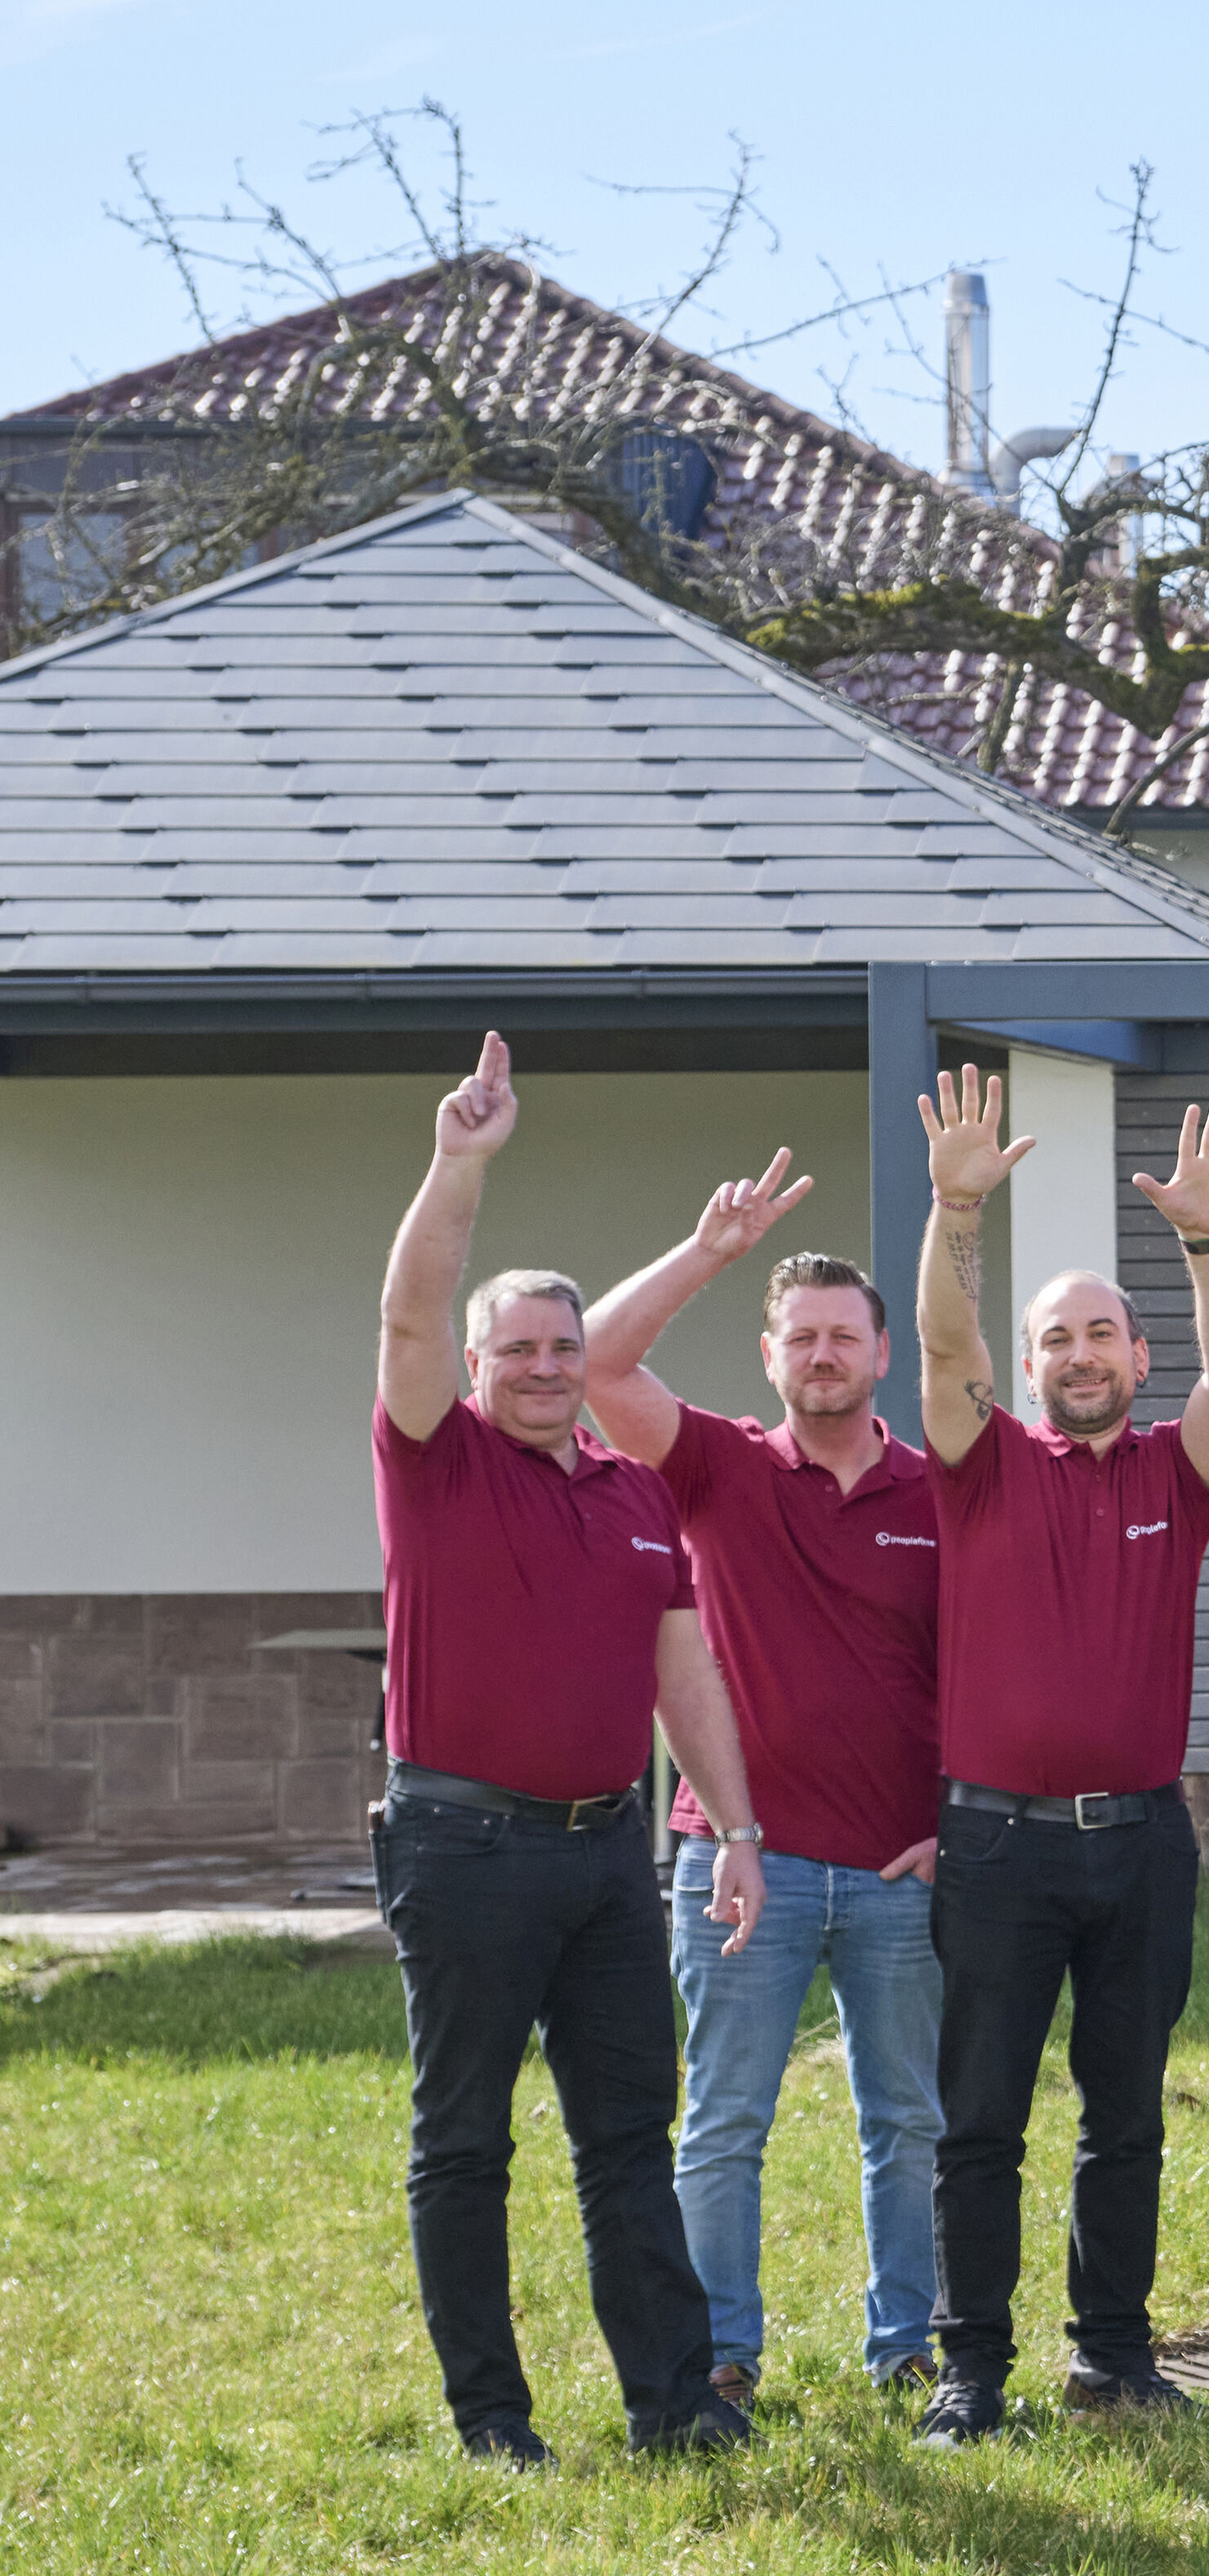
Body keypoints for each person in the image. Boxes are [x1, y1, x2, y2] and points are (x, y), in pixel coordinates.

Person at [368, 1036, 768, 2467]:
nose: (545, 1369)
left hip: (608, 1851)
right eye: (518, 1350)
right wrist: (459, 1163)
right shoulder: (436, 1455)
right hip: (463, 1844)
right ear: (476, 1368)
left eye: (563, 1347)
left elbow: (683, 1663)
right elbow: (410, 1309)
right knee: (467, 2139)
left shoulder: (636, 1494)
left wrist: (732, 1823)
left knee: (625, 2137)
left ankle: (674, 2399)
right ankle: (492, 2417)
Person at [904, 1061, 1209, 2443]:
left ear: (1137, 1356)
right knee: (981, 2117)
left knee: (1127, 2112)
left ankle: (1114, 2351)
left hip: (1140, 1842)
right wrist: (957, 1215)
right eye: (1058, 1339)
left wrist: (1203, 1236)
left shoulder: (1178, 1473)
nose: (1081, 1356)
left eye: (1102, 1336)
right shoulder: (980, 1457)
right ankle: (971, 2368)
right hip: (996, 1842)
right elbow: (943, 1349)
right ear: (1033, 1360)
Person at [576, 1155, 942, 2410]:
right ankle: (721, 2349)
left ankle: (906, 2346)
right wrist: (708, 1251)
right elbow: (598, 1365)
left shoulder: (938, 1489)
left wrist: (952, 1824)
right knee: (724, 2119)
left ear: (883, 1354)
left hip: (900, 1863)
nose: (824, 1353)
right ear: (772, 1355)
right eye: (802, 1336)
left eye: (845, 1334)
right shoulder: (714, 1465)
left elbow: (987, 1671)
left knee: (908, 2121)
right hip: (742, 1860)